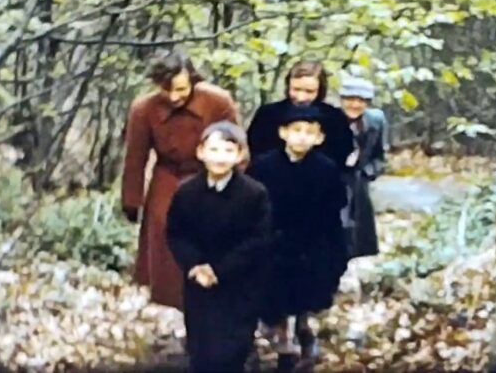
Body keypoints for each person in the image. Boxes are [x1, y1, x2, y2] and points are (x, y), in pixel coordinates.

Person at [121, 49, 239, 309]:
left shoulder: (217, 102)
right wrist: (132, 200)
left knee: (213, 238)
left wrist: (239, 191)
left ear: (193, 80)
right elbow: (135, 158)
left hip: (211, 174)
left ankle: (214, 309)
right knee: (167, 239)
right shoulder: (144, 109)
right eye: (167, 90)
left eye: (181, 89)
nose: (174, 97)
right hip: (168, 177)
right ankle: (178, 307)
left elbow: (237, 147)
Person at [247, 105, 348, 368]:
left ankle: (304, 331)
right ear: (283, 133)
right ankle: (282, 343)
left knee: (307, 293)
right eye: (296, 131)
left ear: (319, 138)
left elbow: (333, 212)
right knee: (274, 295)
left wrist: (336, 252)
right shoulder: (263, 166)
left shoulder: (326, 169)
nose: (302, 137)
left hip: (311, 243)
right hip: (273, 242)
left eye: (309, 132)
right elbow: (253, 207)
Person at [167, 122, 271, 373]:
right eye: (213, 150)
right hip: (199, 284)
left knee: (232, 350)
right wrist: (195, 265)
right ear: (200, 152)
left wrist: (220, 270)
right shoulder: (187, 192)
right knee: (201, 348)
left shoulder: (254, 193)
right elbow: (176, 233)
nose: (220, 158)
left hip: (239, 282)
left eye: (227, 150)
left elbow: (259, 238)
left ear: (239, 155)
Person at [247, 60, 354, 167]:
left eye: (309, 91)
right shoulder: (268, 114)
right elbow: (254, 150)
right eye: (296, 89)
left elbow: (341, 155)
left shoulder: (334, 118)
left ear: (320, 90)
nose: (301, 97)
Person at [339, 76, 388, 259]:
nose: (354, 105)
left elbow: (381, 158)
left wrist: (366, 173)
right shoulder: (329, 120)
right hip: (332, 184)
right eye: (350, 99)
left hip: (359, 185)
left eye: (361, 100)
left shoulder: (376, 120)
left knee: (359, 237)